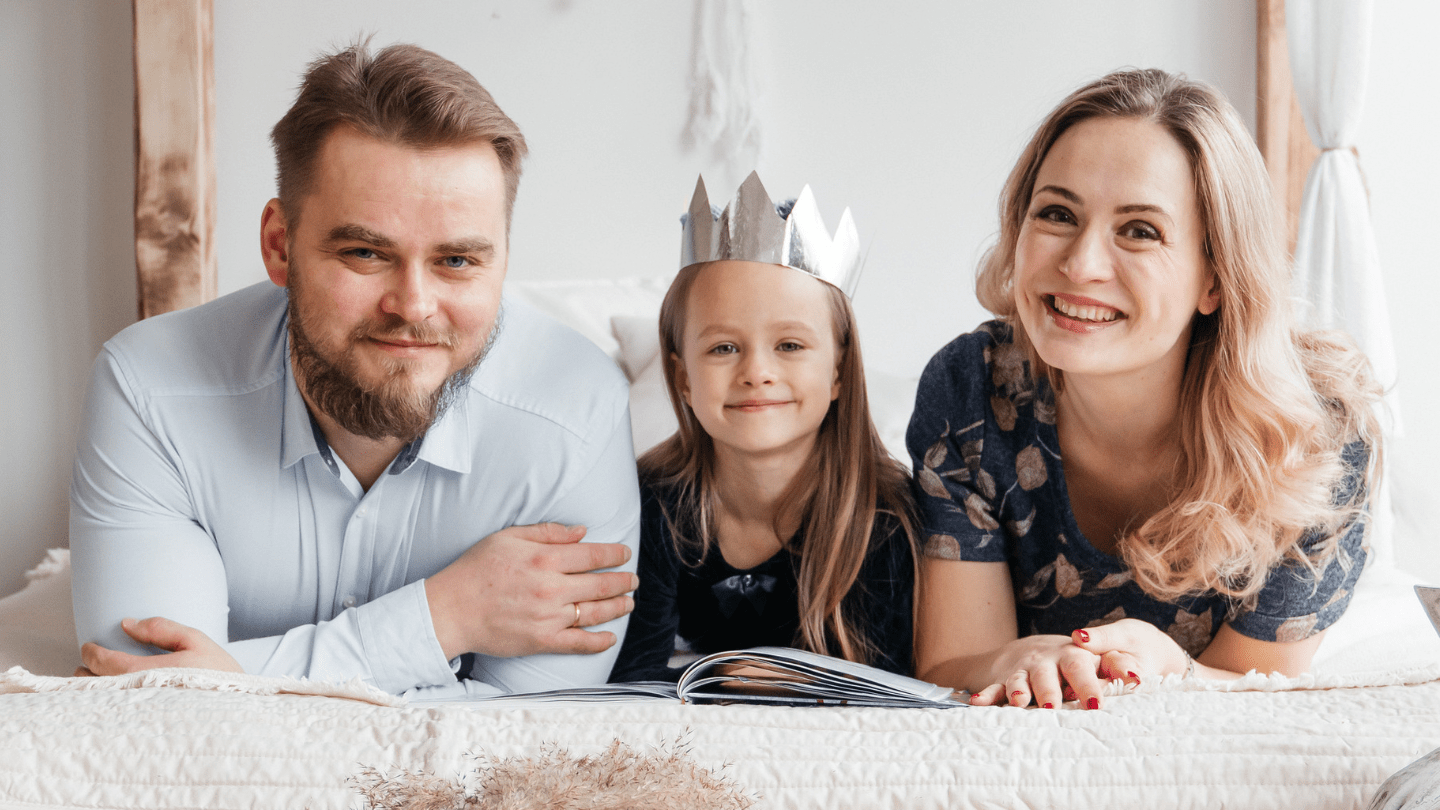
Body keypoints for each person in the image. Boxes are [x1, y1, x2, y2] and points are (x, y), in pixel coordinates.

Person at [69, 42, 640, 697]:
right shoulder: (150, 392)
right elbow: (143, 700)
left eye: (457, 261)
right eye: (366, 252)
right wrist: (445, 616)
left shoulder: (575, 413)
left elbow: (530, 741)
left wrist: (235, 675)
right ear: (279, 246)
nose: (414, 307)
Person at [908, 69, 1381, 709]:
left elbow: (1262, 688)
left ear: (1215, 277)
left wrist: (1175, 671)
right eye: (1057, 213)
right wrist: (1020, 656)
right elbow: (952, 661)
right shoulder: (971, 390)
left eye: (1140, 230)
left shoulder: (1319, 437)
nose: (1079, 265)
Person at [608, 173, 918, 682]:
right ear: (684, 378)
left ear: (838, 372)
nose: (757, 372)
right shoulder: (652, 501)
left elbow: (889, 686)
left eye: (790, 346)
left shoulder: (881, 515)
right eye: (723, 348)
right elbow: (632, 675)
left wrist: (790, 683)